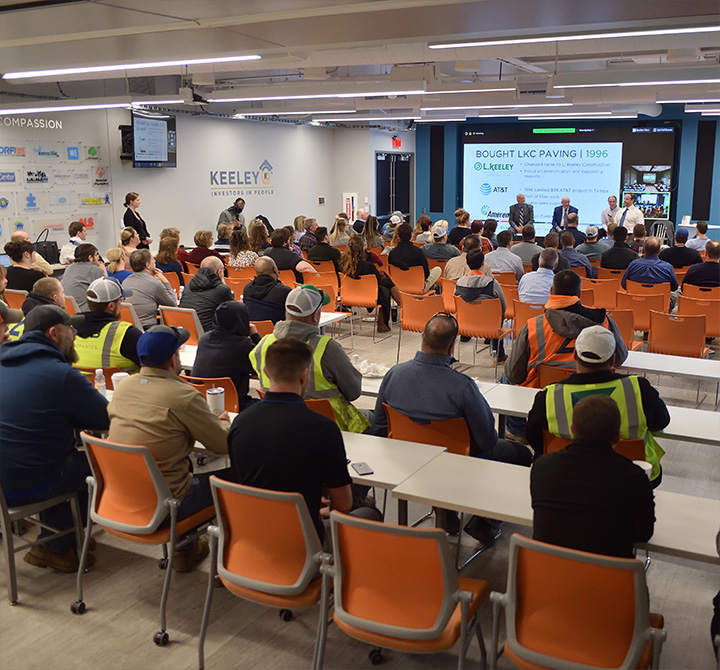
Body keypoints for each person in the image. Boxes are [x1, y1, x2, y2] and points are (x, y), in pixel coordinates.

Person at [373, 313, 532, 542]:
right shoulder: (462, 387)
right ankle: (485, 520)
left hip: (404, 460)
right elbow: (486, 441)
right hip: (457, 464)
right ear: (452, 347)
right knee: (520, 454)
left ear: (422, 339)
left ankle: (444, 510)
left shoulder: (393, 375)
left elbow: (379, 425)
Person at [229, 338, 381, 546]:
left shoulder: (240, 424)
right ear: (304, 376)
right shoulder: (323, 429)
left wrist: (306, 502)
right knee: (370, 513)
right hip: (303, 543)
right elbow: (343, 505)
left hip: (253, 536)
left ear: (264, 371)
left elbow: (251, 483)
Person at [108, 325, 232, 571]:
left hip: (121, 495)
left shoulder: (123, 388)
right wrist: (224, 424)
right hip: (166, 503)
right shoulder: (182, 395)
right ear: (173, 359)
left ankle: (186, 549)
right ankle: (238, 559)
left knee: (177, 466)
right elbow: (222, 446)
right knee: (234, 478)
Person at [0, 305, 109, 572]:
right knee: (102, 468)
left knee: (56, 459)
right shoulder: (62, 375)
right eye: (69, 329)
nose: (74, 333)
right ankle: (55, 546)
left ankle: (63, 535)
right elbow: (106, 420)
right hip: (26, 482)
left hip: (5, 476)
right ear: (53, 334)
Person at [527, 324, 669, 486]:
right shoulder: (639, 388)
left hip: (568, 477)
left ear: (574, 355)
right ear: (613, 359)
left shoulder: (549, 396)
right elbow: (661, 422)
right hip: (633, 477)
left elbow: (536, 441)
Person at [530, 394, 655, 558]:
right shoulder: (634, 478)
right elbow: (644, 534)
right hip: (608, 580)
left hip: (549, 577)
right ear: (618, 436)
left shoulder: (541, 467)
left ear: (572, 429)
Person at [251, 285, 370, 433]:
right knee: (375, 418)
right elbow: (354, 392)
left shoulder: (263, 345)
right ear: (315, 316)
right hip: (333, 427)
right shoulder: (327, 348)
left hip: (278, 424)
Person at [507, 269, 627, 389]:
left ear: (551, 291)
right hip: (593, 396)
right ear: (579, 294)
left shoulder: (533, 327)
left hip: (543, 396)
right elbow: (620, 359)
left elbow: (514, 375)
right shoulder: (604, 322)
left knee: (505, 377)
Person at [192, 301, 261, 413]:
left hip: (201, 403)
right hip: (235, 405)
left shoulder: (204, 339)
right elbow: (265, 363)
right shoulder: (243, 345)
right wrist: (255, 335)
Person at [73, 277, 141, 371]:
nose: (121, 303)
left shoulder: (71, 328)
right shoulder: (126, 334)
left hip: (79, 384)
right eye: (121, 300)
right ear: (111, 306)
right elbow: (155, 364)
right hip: (117, 385)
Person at [455, 248, 507, 363]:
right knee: (499, 314)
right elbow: (504, 307)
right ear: (483, 263)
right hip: (490, 327)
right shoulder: (492, 283)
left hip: (465, 325)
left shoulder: (459, 283)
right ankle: (498, 354)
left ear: (467, 263)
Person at [341, 240, 399, 333]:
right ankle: (385, 320)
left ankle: (398, 305)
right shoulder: (368, 266)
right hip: (369, 295)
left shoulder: (342, 265)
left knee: (385, 285)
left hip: (350, 295)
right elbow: (379, 280)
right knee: (385, 288)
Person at [122, 249, 177, 329]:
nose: (154, 261)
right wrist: (165, 281)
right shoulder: (155, 284)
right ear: (147, 265)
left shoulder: (125, 282)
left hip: (129, 327)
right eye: (152, 259)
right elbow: (173, 305)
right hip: (148, 328)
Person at [179, 256, 234, 332]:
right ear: (219, 272)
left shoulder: (188, 285)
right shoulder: (222, 290)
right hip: (209, 335)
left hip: (186, 332)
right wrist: (223, 284)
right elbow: (234, 312)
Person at [622, 237, 679, 309]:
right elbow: (674, 287)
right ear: (659, 250)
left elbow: (624, 285)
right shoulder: (667, 267)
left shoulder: (633, 265)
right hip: (660, 306)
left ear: (644, 249)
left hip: (636, 304)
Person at [389, 223, 441, 291]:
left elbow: (390, 271)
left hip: (399, 286)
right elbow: (426, 273)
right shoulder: (418, 252)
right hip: (417, 286)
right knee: (437, 269)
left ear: (398, 236)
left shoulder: (392, 253)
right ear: (411, 235)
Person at [243, 256, 292, 323]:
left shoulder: (247, 289)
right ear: (274, 269)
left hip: (252, 332)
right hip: (276, 332)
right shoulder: (285, 292)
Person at [61, 243, 106, 311]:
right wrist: (104, 270)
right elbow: (107, 292)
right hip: (86, 311)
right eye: (96, 254)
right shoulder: (95, 270)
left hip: (69, 310)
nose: (98, 257)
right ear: (90, 258)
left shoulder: (69, 268)